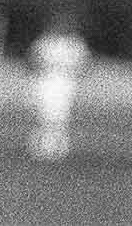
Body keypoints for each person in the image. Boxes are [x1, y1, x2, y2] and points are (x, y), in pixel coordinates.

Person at [26, 14, 88, 163]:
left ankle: (59, 148)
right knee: (45, 115)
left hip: (66, 84)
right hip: (45, 82)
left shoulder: (75, 44)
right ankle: (41, 147)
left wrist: (70, 73)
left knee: (60, 117)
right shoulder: (45, 42)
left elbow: (83, 65)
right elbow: (32, 59)